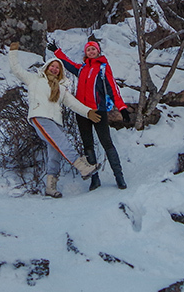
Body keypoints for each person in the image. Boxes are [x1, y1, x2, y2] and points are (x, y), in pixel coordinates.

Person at [8, 42, 100, 198]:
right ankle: (82, 167)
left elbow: (73, 103)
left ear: (60, 71)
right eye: (52, 66)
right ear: (47, 67)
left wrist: (88, 112)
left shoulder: (61, 88)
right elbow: (16, 70)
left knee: (55, 154)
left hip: (55, 121)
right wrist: (13, 53)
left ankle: (50, 187)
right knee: (63, 142)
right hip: (40, 116)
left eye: (58, 68)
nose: (55, 69)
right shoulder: (34, 79)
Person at [53, 37, 128, 190]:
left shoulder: (103, 67)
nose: (91, 51)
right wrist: (56, 51)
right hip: (82, 113)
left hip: (98, 111)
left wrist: (122, 108)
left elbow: (113, 88)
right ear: (86, 53)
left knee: (107, 143)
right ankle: (95, 179)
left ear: (98, 51)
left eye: (93, 49)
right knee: (88, 145)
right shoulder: (81, 69)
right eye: (88, 49)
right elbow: (67, 63)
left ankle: (119, 177)